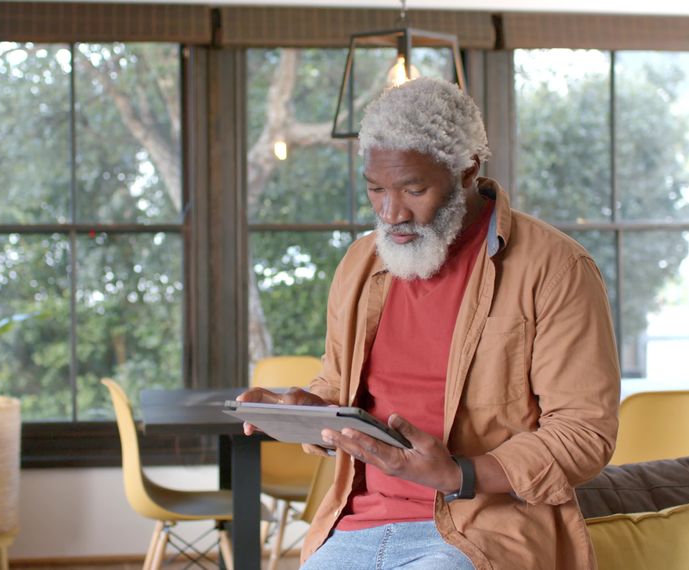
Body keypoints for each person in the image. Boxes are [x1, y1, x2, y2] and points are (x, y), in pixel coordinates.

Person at [238, 76, 620, 570]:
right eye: (376, 189)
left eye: (414, 189)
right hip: (354, 525)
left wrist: (459, 474)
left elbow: (584, 433)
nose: (391, 212)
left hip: (480, 532)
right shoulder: (359, 264)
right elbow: (339, 383)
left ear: (466, 171)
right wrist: (309, 412)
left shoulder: (556, 269)